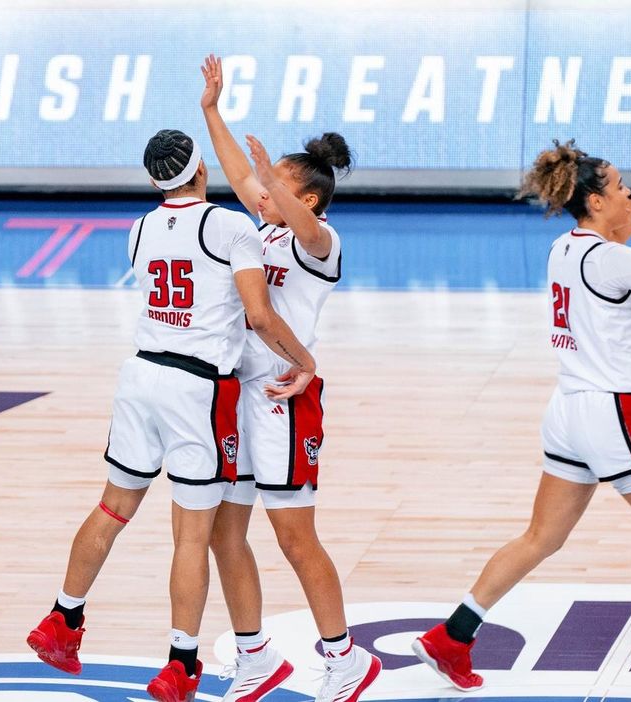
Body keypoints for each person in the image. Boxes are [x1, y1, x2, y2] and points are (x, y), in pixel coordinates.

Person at [412, 140, 631, 690]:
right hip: (614, 413)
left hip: (568, 413)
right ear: (597, 202)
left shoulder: (566, 247)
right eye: (622, 187)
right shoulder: (610, 257)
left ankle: (453, 635)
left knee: (541, 537)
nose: (629, 192)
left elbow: (616, 242)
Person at [27, 128, 318, 702]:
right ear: (200, 170)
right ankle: (181, 662)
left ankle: (63, 617)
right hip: (197, 388)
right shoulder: (230, 227)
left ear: (155, 179)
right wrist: (303, 361)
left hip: (140, 376)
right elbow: (259, 316)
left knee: (112, 506)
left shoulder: (138, 228)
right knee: (192, 534)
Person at [199, 55, 381, 702]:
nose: (260, 191)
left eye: (276, 184)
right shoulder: (267, 233)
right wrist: (212, 111)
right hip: (239, 393)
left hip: (283, 397)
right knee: (224, 532)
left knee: (295, 538)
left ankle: (345, 658)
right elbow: (239, 175)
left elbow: (301, 222)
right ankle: (256, 655)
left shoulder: (319, 241)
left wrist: (273, 182)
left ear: (306, 200)